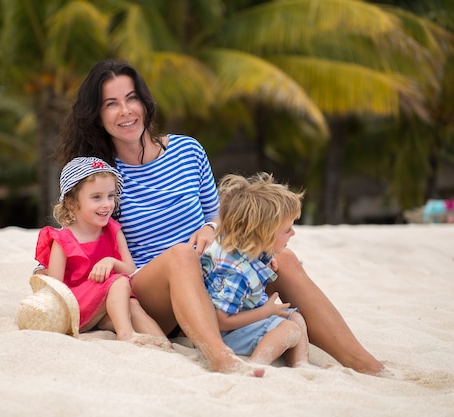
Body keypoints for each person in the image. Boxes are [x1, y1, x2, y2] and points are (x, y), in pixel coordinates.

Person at [53, 59, 384, 375]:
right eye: (111, 103)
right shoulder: (100, 177)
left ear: (145, 103)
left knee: (286, 258)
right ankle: (220, 357)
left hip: (210, 274)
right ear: (97, 116)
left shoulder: (187, 150)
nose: (125, 111)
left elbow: (217, 216)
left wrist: (211, 228)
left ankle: (366, 364)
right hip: (151, 293)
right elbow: (79, 238)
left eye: (131, 98)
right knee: (181, 254)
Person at [35, 156, 171, 348]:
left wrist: (112, 261)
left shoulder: (113, 230)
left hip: (104, 305)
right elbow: (56, 288)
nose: (107, 204)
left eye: (110, 196)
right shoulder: (63, 240)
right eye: (96, 197)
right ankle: (125, 334)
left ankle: (166, 347)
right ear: (72, 203)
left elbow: (130, 268)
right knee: (120, 281)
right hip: (77, 307)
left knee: (132, 305)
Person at [201, 172, 309, 368]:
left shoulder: (250, 249)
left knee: (296, 318)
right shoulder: (236, 274)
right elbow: (221, 320)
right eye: (287, 230)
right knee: (289, 330)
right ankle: (256, 364)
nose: (293, 233)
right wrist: (266, 312)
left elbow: (256, 254)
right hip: (227, 333)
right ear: (261, 235)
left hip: (246, 317)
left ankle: (302, 365)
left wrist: (267, 260)